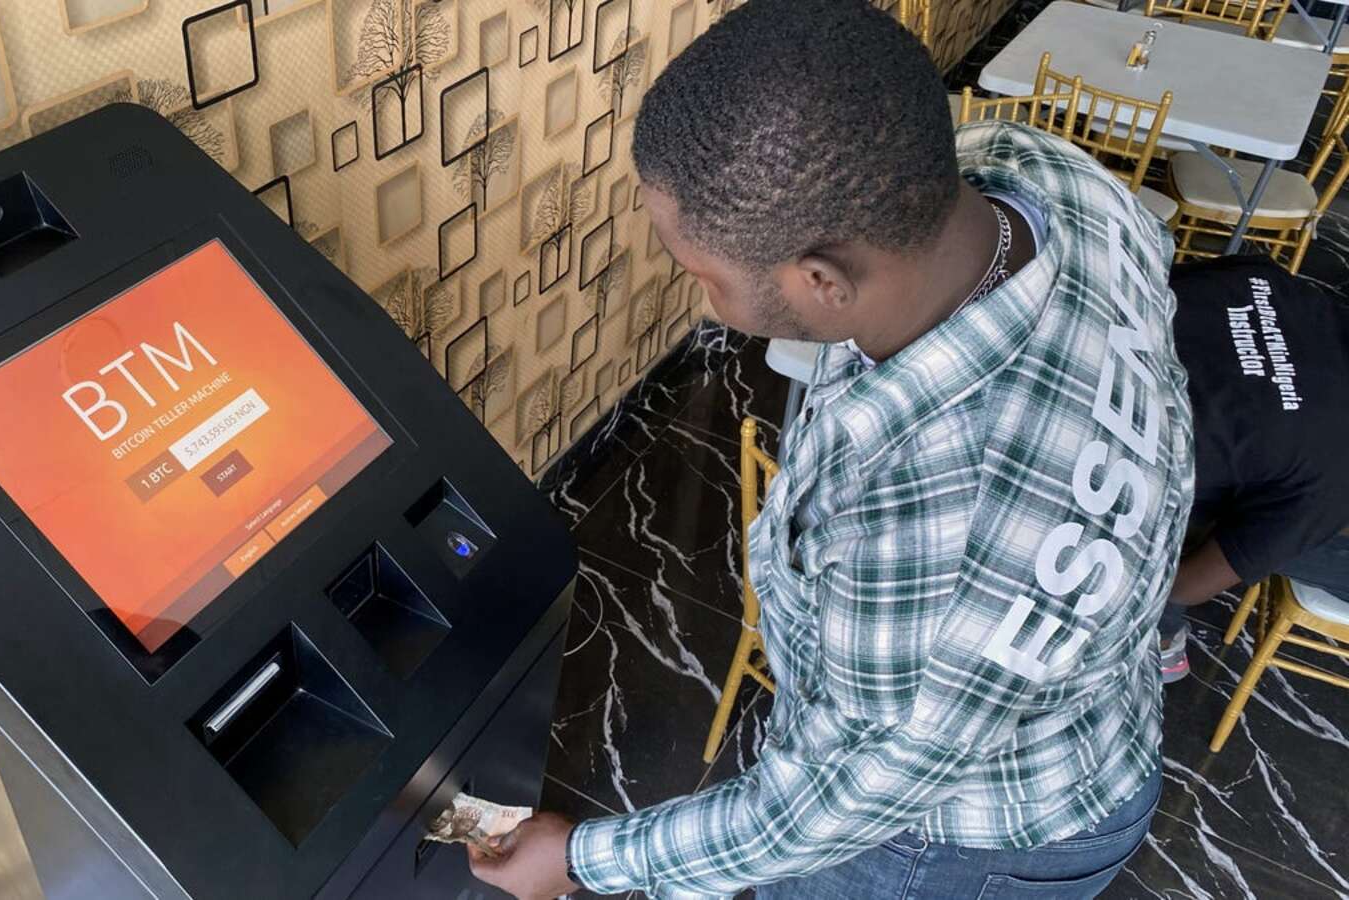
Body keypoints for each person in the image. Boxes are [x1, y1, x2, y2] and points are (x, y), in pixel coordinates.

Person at [468, 0, 1195, 896]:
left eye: (705, 277)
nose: (700, 300)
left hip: (959, 844)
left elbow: (826, 811)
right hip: (1092, 726)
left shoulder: (932, 522)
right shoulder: (1051, 177)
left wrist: (584, 862)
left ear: (822, 281)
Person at [1157, 256, 1349, 682]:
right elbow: (1184, 585)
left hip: (1039, 343)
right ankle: (1160, 637)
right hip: (1080, 479)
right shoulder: (1335, 478)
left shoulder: (1266, 277)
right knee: (1255, 518)